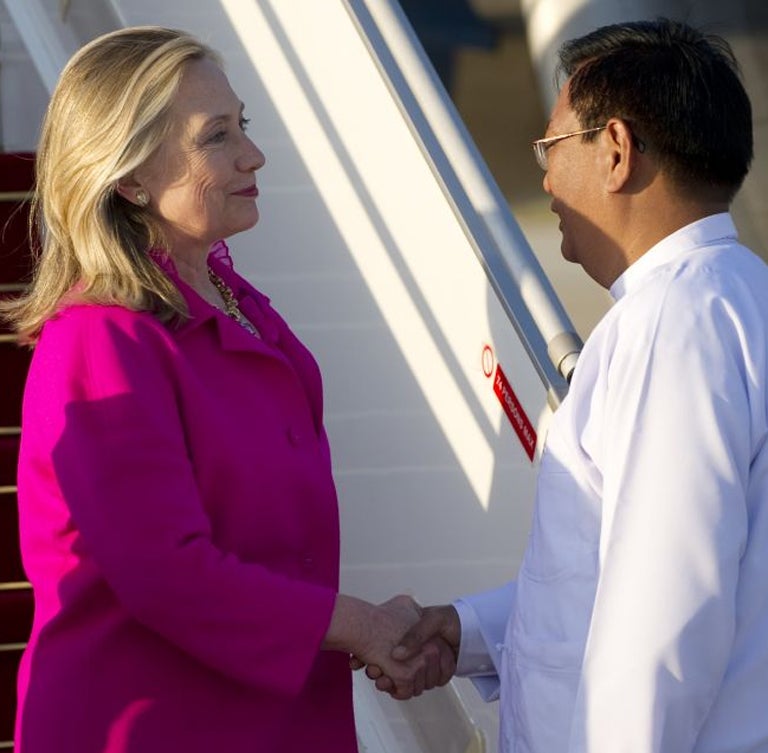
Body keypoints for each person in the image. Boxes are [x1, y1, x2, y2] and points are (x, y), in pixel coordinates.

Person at [1, 26, 450, 753]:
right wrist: (361, 625)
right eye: (217, 137)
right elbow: (168, 571)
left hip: (254, 718)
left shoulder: (228, 296)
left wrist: (372, 626)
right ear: (130, 176)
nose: (254, 154)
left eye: (244, 125)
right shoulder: (99, 340)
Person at [364, 17, 768, 753]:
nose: (546, 177)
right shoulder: (734, 299)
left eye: (550, 148)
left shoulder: (673, 323)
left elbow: (659, 619)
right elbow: (620, 575)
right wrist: (470, 627)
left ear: (614, 151)